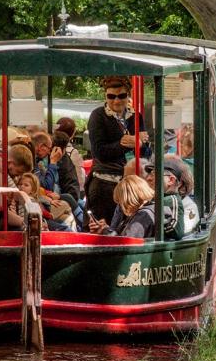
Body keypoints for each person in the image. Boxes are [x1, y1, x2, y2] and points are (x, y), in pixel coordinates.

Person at [85, 75, 150, 226]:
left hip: (131, 183)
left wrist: (139, 144)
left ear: (128, 95)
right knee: (103, 226)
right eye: (111, 96)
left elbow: (146, 153)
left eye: (121, 96)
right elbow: (99, 152)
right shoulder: (98, 116)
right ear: (105, 96)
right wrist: (123, 144)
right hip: (105, 184)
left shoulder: (135, 116)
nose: (116, 100)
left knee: (126, 226)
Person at [146, 154, 200, 239]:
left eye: (155, 174)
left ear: (176, 181)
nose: (149, 178)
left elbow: (181, 233)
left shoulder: (188, 206)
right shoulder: (150, 199)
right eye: (150, 174)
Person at [88, 173, 156, 239]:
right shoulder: (149, 211)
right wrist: (105, 230)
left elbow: (126, 243)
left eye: (121, 201)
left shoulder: (143, 216)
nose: (120, 206)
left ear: (128, 199)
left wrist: (105, 231)